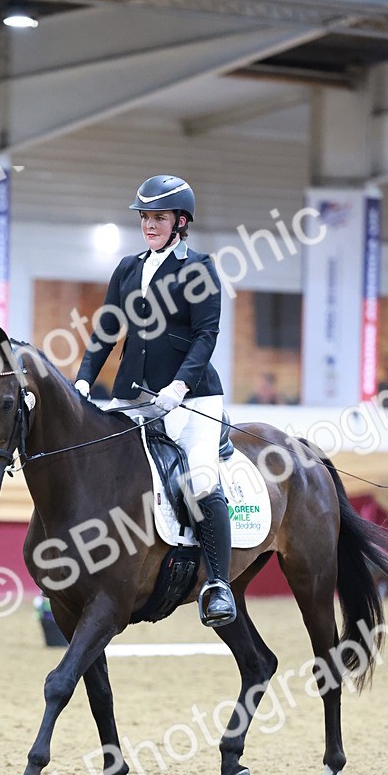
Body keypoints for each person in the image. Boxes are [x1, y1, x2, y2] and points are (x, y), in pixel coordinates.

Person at [74, 173, 236, 627]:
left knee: (201, 482)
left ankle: (218, 585)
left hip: (193, 399)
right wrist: (85, 380)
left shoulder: (198, 268)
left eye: (158, 218)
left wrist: (179, 387)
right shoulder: (128, 268)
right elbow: (107, 330)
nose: (149, 225)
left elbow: (207, 335)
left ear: (180, 222)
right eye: (145, 217)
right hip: (134, 397)